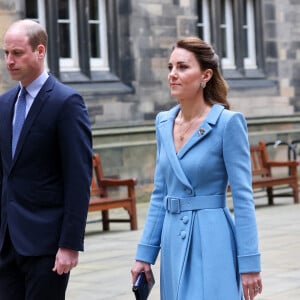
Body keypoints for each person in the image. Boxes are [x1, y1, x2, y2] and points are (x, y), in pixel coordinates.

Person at [131, 37, 262, 300]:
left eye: (182, 67)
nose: (172, 75)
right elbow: (160, 193)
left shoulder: (227, 123)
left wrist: (249, 264)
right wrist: (144, 255)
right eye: (170, 67)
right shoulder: (163, 122)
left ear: (205, 75)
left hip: (212, 237)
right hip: (172, 238)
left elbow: (243, 197)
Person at [0, 19, 92, 299]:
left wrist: (70, 244)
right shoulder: (3, 104)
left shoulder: (66, 102)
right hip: (6, 243)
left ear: (40, 51)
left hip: (47, 246)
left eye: (17, 53)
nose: (9, 61)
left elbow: (79, 178)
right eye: (5, 54)